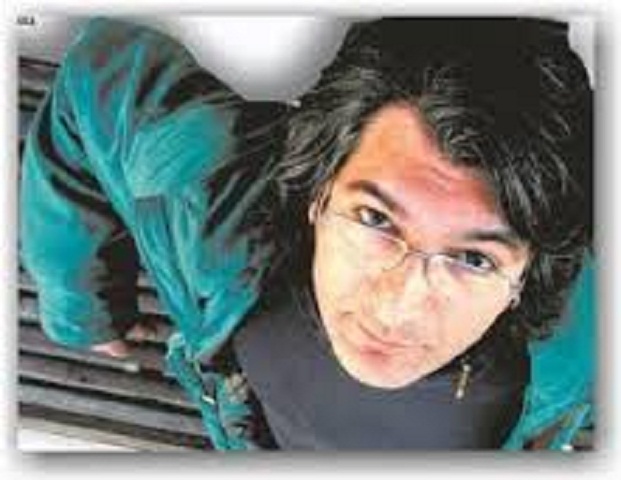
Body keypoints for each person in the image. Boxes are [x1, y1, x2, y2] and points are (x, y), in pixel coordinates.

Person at [20, 17, 594, 450]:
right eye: (374, 219)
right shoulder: (210, 194)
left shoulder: (591, 324)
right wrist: (80, 307)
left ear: (529, 270)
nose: (397, 309)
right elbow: (98, 70)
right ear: (318, 190)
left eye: (473, 258)